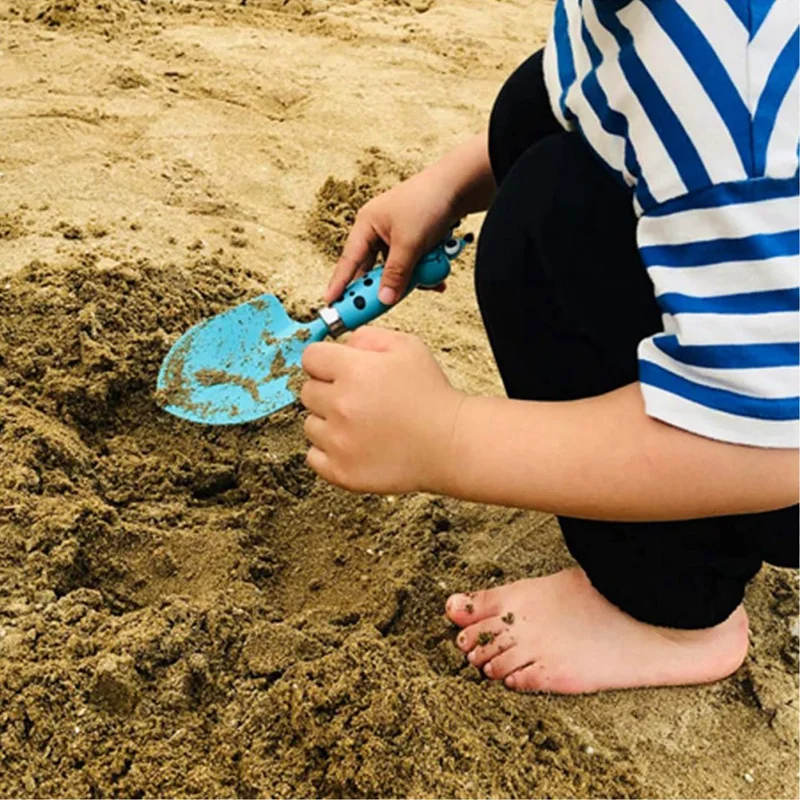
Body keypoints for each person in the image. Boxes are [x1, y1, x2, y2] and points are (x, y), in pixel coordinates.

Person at [298, 0, 799, 693]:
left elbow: (773, 439)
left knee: (543, 228)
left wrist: (444, 437)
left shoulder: (733, 105)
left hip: (776, 424)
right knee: (534, 108)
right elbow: (600, 84)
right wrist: (446, 185)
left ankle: (674, 609)